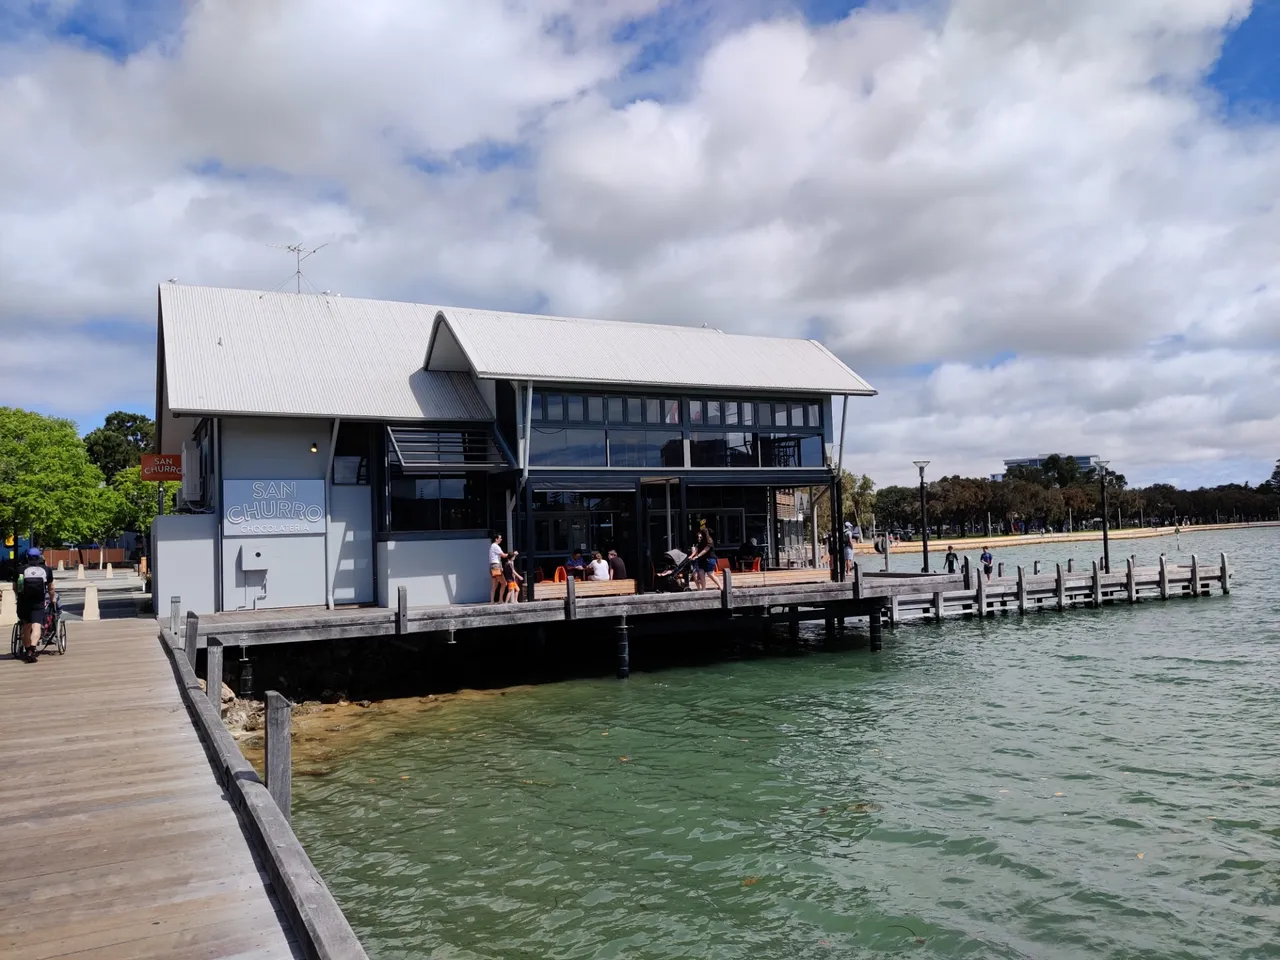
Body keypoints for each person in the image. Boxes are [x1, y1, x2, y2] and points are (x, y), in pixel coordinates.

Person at [13, 547, 55, 663]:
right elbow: (51, 588)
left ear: (27, 557)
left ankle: (27, 650)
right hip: (39, 601)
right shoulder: (46, 570)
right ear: (39, 557)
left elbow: (15, 587)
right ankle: (32, 650)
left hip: (24, 601)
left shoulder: (20, 569)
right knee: (36, 626)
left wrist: (19, 596)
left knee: (26, 626)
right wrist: (53, 599)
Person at [689, 520, 722, 591]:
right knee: (700, 572)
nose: (699, 537)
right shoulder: (701, 541)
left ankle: (721, 587)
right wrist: (692, 556)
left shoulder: (709, 540)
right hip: (702, 559)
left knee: (710, 573)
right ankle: (703, 589)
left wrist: (697, 556)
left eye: (701, 535)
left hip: (709, 558)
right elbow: (697, 548)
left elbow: (706, 549)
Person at [488, 533, 516, 604]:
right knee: (504, 583)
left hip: (492, 566)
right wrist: (513, 554)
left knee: (494, 585)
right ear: (496, 539)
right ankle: (500, 600)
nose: (501, 539)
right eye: (500, 538)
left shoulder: (492, 546)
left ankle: (492, 601)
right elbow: (503, 555)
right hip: (496, 566)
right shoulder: (496, 546)